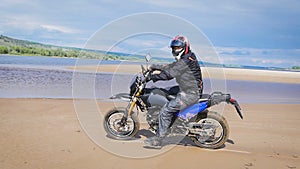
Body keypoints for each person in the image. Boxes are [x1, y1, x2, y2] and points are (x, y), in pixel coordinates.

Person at [144, 35, 203, 148]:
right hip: (188, 89)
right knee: (165, 92)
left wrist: (152, 77)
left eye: (177, 48)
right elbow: (171, 66)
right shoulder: (187, 57)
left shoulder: (185, 60)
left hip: (190, 93)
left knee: (165, 110)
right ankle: (171, 123)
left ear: (184, 47)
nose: (175, 50)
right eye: (174, 48)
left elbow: (169, 74)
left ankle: (158, 140)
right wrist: (155, 67)